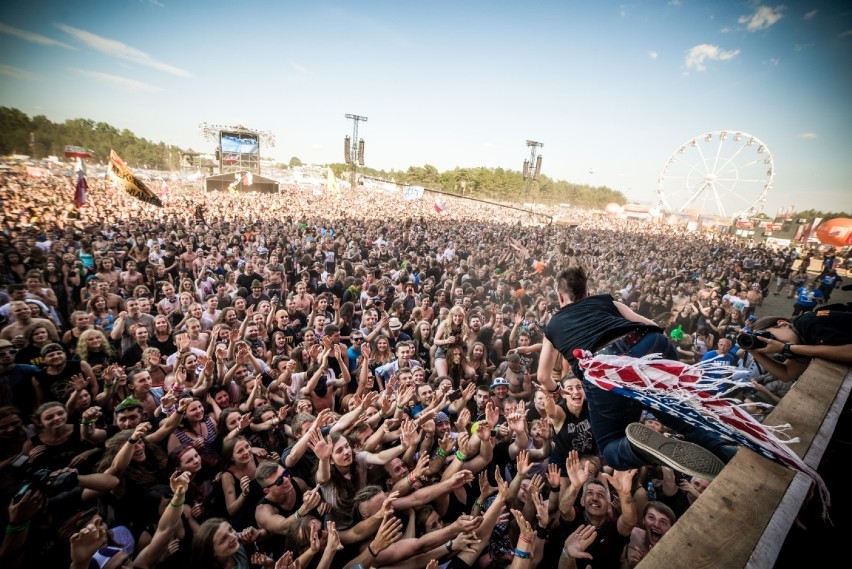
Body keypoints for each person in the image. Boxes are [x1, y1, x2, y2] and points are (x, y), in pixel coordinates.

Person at [537, 266, 730, 479]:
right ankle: (723, 450)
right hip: (648, 344)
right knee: (673, 411)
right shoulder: (606, 301)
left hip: (604, 367)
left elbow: (543, 377)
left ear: (560, 296)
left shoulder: (553, 325)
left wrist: (558, 390)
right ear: (587, 291)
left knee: (610, 450)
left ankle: (642, 450)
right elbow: (652, 324)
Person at [744, 311, 852, 383]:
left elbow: (849, 352)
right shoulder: (799, 338)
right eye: (766, 341)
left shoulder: (807, 323)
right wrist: (754, 352)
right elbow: (787, 374)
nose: (773, 343)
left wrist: (786, 348)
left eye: (770, 336)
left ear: (783, 323)